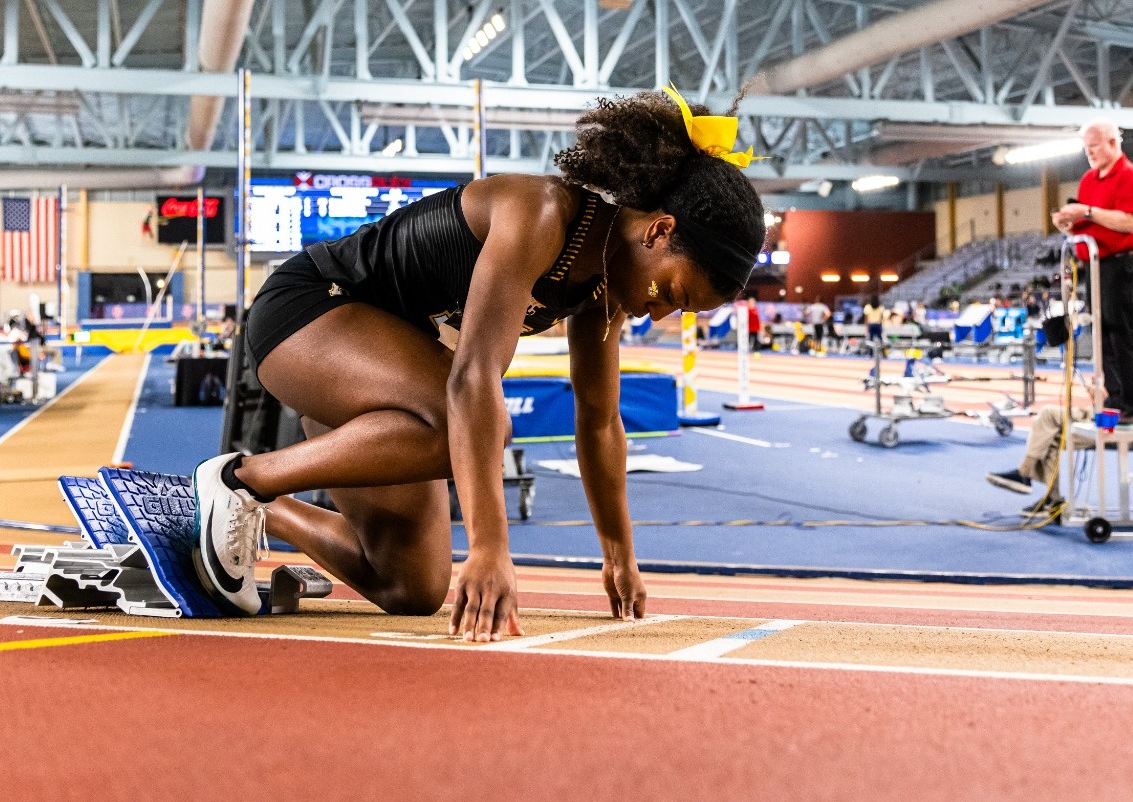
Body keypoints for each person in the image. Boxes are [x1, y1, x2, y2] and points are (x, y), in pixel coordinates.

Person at [189, 88, 766, 639]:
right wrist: (490, 547)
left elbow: (599, 420)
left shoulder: (603, 293)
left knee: (408, 587)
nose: (660, 313)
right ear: (659, 231)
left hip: (377, 359)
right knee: (466, 422)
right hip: (311, 307)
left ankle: (264, 508)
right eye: (673, 293)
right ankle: (242, 481)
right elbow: (472, 378)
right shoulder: (539, 213)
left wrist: (619, 555)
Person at [987, 323, 1133, 516]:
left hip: (1132, 433)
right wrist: (1102, 399)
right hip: (1113, 422)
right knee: (1049, 429)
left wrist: (1102, 400)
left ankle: (1030, 478)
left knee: (1049, 422)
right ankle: (1051, 498)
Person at [1052, 118, 1133, 423]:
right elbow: (1087, 222)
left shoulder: (1130, 176)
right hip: (1096, 265)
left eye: (1094, 146)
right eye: (1086, 148)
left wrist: (1086, 212)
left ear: (1112, 143)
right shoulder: (1088, 181)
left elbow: (1132, 222)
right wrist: (1067, 221)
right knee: (1104, 334)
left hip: (1124, 264)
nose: (1090, 153)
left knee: (1123, 332)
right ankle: (1117, 398)